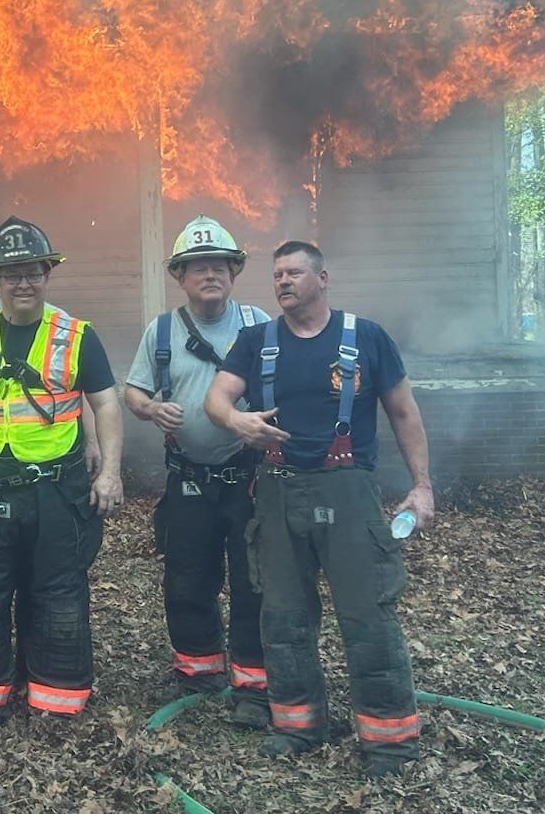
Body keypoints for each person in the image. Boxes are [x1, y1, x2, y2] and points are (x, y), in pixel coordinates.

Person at [205, 240, 435, 778]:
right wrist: (235, 421)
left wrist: (422, 486)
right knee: (283, 617)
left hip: (348, 491)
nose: (283, 282)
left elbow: (404, 413)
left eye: (294, 273)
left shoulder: (366, 338)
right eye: (277, 274)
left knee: (368, 615)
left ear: (322, 278)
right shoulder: (256, 341)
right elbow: (216, 399)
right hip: (280, 490)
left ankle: (389, 742)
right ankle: (297, 727)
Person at [0, 216, 125, 731]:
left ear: (47, 273)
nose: (23, 282)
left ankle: (54, 697)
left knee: (57, 591)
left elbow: (105, 405)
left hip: (56, 491)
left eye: (33, 271)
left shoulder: (77, 335)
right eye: (11, 273)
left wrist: (109, 473)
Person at [122, 215, 270, 727]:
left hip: (250, 477)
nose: (211, 274)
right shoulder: (161, 331)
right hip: (187, 477)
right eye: (198, 267)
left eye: (220, 266)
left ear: (234, 273)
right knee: (187, 577)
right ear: (179, 277)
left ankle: (254, 683)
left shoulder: (258, 325)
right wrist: (149, 410)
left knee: (255, 581)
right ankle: (200, 669)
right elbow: (133, 392)